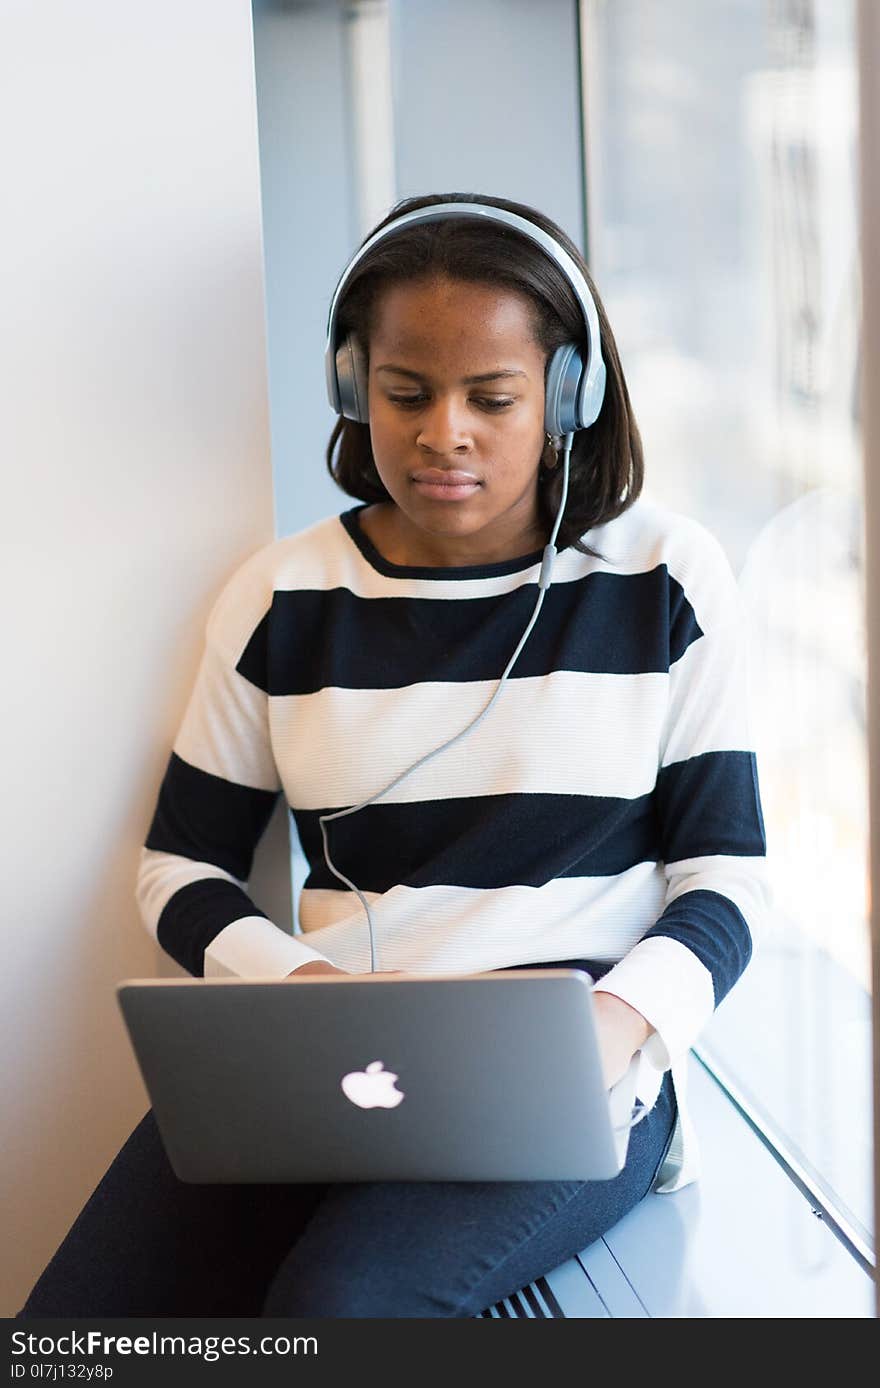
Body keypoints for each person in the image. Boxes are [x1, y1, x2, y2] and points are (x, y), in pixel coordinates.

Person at [18, 191, 768, 1319]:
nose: (442, 432)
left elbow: (727, 879)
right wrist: (305, 990)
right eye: (405, 394)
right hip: (329, 1057)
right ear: (350, 384)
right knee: (72, 1329)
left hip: (575, 1071)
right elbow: (181, 867)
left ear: (572, 396)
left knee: (345, 1306)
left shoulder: (663, 577)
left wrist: (610, 1030)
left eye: (493, 397)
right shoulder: (282, 595)